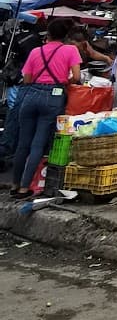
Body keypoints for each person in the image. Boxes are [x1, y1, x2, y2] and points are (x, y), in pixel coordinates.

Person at [9, 30, 81, 196]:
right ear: (66, 37)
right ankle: (24, 188)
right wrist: (64, 81)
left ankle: (14, 185)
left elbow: (27, 78)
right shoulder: (70, 50)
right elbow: (77, 76)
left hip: (31, 95)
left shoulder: (36, 51)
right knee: (38, 144)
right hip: (53, 96)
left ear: (47, 37)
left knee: (23, 143)